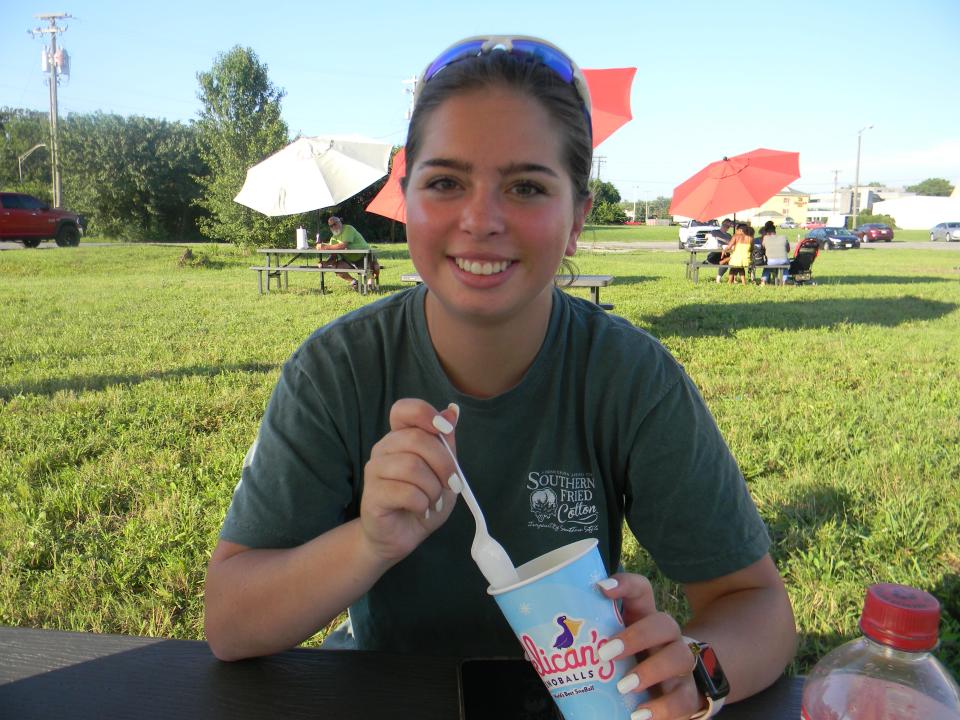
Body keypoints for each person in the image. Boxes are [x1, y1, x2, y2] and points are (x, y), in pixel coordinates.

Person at [204, 35, 796, 720]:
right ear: (406, 202)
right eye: (446, 182)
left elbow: (754, 605)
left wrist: (693, 669)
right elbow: (231, 620)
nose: (480, 220)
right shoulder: (338, 370)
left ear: (578, 216)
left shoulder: (632, 379)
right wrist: (369, 543)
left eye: (526, 187)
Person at [316, 216, 379, 291]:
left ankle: (371, 282)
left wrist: (325, 247)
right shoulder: (333, 239)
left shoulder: (348, 228)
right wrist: (325, 263)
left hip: (364, 257)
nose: (333, 227)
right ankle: (354, 282)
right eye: (331, 226)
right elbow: (333, 257)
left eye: (335, 224)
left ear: (340, 222)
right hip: (349, 260)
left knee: (370, 286)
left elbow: (343, 245)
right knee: (337, 268)